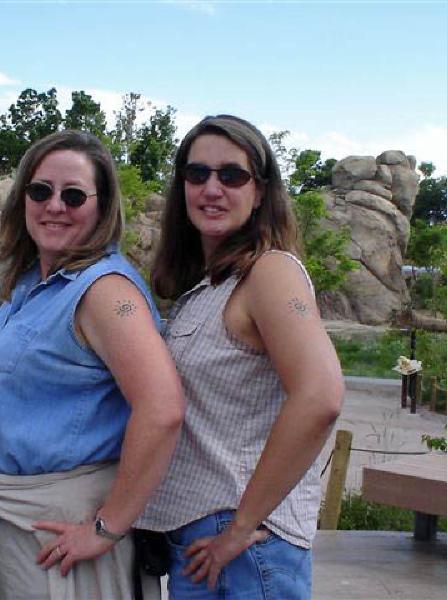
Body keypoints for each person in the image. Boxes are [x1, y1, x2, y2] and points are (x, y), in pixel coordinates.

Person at [0, 130, 185, 599]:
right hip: (5, 523)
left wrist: (106, 529)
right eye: (40, 190)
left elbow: (163, 408)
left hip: (57, 536)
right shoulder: (31, 286)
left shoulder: (106, 292)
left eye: (73, 195)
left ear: (102, 206)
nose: (55, 205)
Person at [136, 115, 344, 599]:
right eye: (197, 174)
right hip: (205, 545)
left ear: (260, 191)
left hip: (242, 546)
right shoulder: (214, 284)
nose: (212, 187)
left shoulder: (270, 272)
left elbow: (320, 396)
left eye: (232, 175)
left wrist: (241, 526)